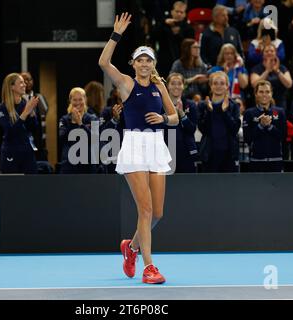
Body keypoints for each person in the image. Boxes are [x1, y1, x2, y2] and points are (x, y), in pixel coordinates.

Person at [99, 13, 179, 284]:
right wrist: (116, 35)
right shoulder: (126, 83)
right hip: (134, 145)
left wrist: (164, 119)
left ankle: (130, 248)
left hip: (156, 145)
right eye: (140, 59)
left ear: (153, 64)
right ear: (133, 64)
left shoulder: (159, 86)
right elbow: (103, 62)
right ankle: (149, 267)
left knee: (158, 213)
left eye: (148, 60)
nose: (144, 63)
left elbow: (176, 117)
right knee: (144, 211)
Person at [198, 71, 241, 173]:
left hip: (229, 155)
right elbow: (203, 130)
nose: (218, 86)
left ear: (227, 86)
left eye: (222, 83)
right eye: (215, 83)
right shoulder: (203, 106)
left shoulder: (234, 105)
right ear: (210, 86)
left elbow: (234, 129)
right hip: (209, 155)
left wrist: (225, 111)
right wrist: (209, 111)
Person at [0, 73, 39, 174]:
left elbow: (33, 128)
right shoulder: (1, 108)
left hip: (27, 151)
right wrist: (25, 113)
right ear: (11, 86)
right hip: (10, 152)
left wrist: (32, 114)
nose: (24, 85)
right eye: (21, 82)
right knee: (11, 187)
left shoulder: (26, 103)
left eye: (24, 82)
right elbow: (10, 131)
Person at [243, 80, 286, 172]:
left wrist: (270, 127)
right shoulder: (249, 113)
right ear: (256, 94)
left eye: (267, 92)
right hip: (256, 161)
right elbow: (247, 138)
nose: (264, 95)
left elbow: (283, 136)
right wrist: (261, 126)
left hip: (276, 161)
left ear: (271, 94)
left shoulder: (280, 112)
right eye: (261, 92)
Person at [58, 87, 99, 174]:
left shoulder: (93, 118)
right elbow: (62, 139)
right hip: (68, 165)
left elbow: (95, 139)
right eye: (74, 100)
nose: (77, 103)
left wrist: (80, 123)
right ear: (70, 101)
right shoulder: (64, 119)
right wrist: (73, 123)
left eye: (80, 99)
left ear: (85, 100)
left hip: (88, 166)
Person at [151, 1, 195, 76]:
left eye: (181, 12)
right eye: (177, 11)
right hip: (164, 61)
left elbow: (189, 45)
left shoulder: (189, 28)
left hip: (182, 63)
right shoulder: (163, 25)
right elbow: (152, 37)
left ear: (185, 14)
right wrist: (163, 23)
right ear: (172, 12)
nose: (179, 14)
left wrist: (178, 34)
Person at [166, 72, 198, 173]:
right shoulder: (160, 105)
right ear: (167, 86)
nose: (176, 86)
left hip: (186, 151)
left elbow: (192, 129)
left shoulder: (190, 105)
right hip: (165, 152)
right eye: (173, 83)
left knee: (187, 185)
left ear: (183, 86)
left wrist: (182, 114)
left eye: (179, 83)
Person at [250, 44, 293, 110]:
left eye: (272, 51)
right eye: (266, 51)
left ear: (276, 53)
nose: (269, 53)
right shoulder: (256, 68)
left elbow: (289, 84)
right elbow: (254, 84)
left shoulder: (282, 68)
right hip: (261, 103)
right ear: (262, 54)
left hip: (280, 103)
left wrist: (277, 71)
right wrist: (267, 71)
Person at [21, 71, 49, 163]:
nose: (28, 82)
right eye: (24, 80)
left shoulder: (39, 97)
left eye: (30, 79)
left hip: (40, 141)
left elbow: (45, 111)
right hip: (23, 142)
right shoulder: (18, 100)